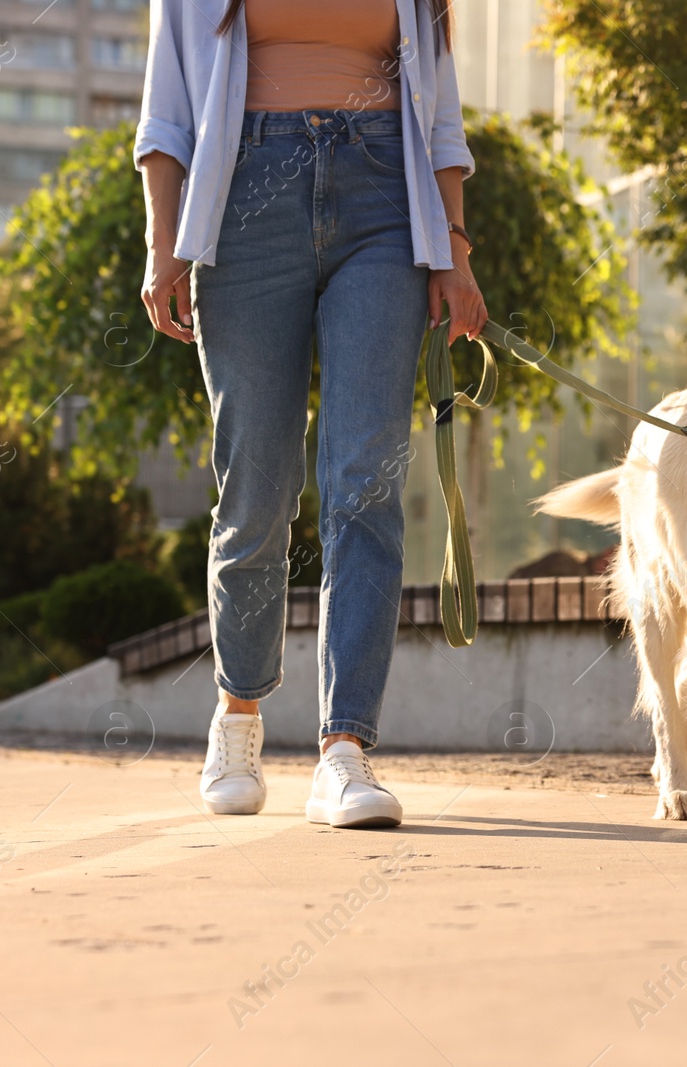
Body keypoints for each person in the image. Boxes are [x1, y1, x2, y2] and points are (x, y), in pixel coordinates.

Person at [136, 0, 487, 828]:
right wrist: (162, 245)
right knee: (256, 479)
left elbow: (438, 117)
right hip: (245, 199)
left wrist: (456, 252)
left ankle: (345, 750)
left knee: (365, 477)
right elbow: (166, 111)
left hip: (384, 203)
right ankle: (239, 714)